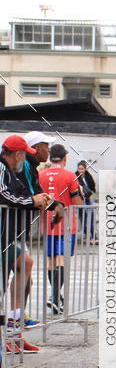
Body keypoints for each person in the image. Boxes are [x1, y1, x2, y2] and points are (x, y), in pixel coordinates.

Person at [0, 135, 51, 351]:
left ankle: (13, 328)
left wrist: (40, 200)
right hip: (3, 235)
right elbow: (3, 195)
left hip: (9, 235)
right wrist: (32, 201)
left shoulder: (12, 171)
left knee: (25, 263)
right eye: (24, 155)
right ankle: (10, 332)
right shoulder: (2, 167)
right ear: (18, 154)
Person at [19, 132, 65, 327]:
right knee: (21, 276)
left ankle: (18, 317)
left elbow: (38, 195)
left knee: (26, 278)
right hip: (11, 230)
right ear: (37, 148)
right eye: (46, 145)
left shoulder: (32, 168)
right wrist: (49, 203)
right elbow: (31, 196)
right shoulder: (25, 167)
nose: (49, 149)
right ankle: (15, 319)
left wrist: (57, 205)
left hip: (19, 230)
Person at [39, 144, 83, 315]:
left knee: (51, 260)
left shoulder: (41, 175)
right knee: (61, 259)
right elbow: (78, 203)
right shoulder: (70, 176)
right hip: (65, 224)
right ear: (65, 158)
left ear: (50, 158)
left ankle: (55, 296)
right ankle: (55, 297)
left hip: (47, 223)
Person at [75, 160, 97, 244]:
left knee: (91, 217)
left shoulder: (88, 176)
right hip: (80, 199)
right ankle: (88, 236)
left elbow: (92, 185)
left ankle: (93, 235)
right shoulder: (75, 176)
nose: (80, 170)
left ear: (85, 169)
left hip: (88, 198)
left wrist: (91, 192)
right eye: (79, 169)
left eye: (82, 169)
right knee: (84, 217)